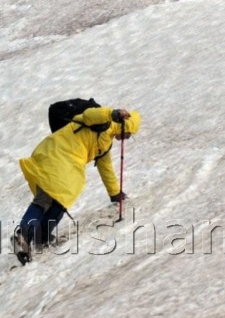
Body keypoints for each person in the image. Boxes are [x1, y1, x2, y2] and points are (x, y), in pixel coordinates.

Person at [13, 105, 141, 264]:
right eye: (128, 134)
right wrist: (112, 113)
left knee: (61, 199)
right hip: (56, 153)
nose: (126, 138)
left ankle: (42, 237)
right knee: (47, 196)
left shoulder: (105, 142)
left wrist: (115, 193)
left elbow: (105, 167)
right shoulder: (104, 122)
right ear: (125, 127)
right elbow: (89, 114)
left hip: (66, 161)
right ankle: (23, 235)